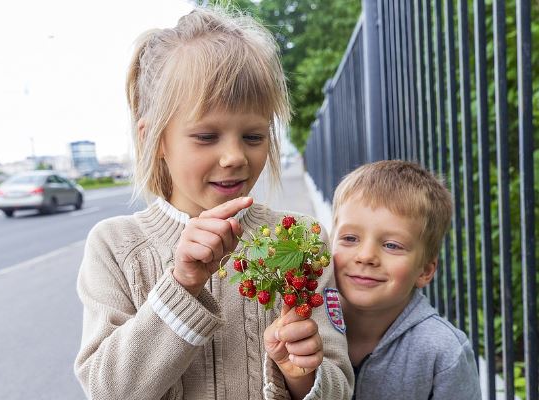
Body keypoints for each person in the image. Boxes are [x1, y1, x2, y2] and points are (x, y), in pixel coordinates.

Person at [73, 6, 353, 400]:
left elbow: (340, 384)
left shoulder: (301, 240)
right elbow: (108, 390)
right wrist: (182, 284)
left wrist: (302, 375)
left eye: (254, 137)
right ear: (155, 140)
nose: (235, 157)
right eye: (206, 136)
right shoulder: (116, 247)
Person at [331, 160, 481, 399]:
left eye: (392, 245)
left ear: (425, 271)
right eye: (350, 238)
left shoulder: (443, 353)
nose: (366, 256)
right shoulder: (308, 321)